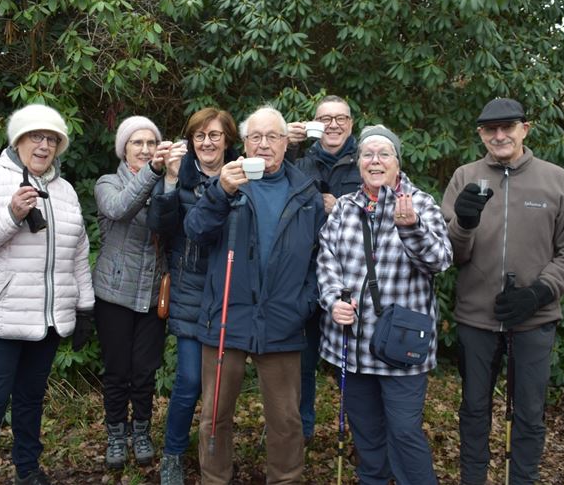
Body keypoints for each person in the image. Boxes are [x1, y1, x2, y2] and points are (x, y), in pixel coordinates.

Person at [441, 98, 564, 485]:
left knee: (528, 411)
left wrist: (540, 292)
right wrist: (464, 223)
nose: (500, 135)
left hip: (535, 318)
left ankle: (521, 479)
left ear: (525, 128)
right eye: (490, 129)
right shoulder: (464, 177)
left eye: (508, 126)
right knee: (474, 408)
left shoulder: (555, 179)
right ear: (480, 135)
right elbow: (449, 253)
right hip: (476, 317)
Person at [0, 103, 94, 485]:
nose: (44, 146)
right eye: (36, 137)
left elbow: (78, 253)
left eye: (52, 139)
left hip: (45, 323)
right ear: (18, 140)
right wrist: (10, 216)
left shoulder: (65, 192)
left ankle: (28, 471)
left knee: (30, 404)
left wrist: (85, 307)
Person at [184, 105, 326, 484]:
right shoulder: (227, 183)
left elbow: (319, 257)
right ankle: (215, 479)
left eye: (273, 137)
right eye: (256, 137)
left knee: (285, 419)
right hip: (227, 315)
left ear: (285, 142)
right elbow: (195, 231)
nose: (264, 144)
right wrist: (219, 193)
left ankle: (286, 479)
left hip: (283, 318)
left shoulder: (306, 192)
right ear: (244, 144)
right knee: (215, 415)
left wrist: (305, 302)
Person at [317, 125, 453, 485]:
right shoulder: (345, 207)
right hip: (353, 344)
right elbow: (326, 260)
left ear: (397, 161)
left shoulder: (420, 203)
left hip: (401, 347)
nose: (375, 161)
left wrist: (412, 229)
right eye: (367, 154)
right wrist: (332, 301)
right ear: (359, 162)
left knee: (405, 432)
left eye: (383, 154)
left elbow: (440, 261)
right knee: (367, 434)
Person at [146, 108, 239, 484]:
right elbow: (158, 225)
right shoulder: (180, 176)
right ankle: (172, 453)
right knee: (188, 381)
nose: (207, 143)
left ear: (228, 140)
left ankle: (214, 454)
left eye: (214, 135)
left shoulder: (243, 175)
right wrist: (168, 181)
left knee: (222, 387)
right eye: (199, 136)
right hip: (189, 289)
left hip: (231, 291)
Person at [92, 116, 185, 468]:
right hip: (114, 293)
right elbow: (120, 208)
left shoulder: (163, 181)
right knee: (117, 370)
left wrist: (174, 174)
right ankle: (116, 434)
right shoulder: (106, 183)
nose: (145, 149)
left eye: (151, 143)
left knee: (145, 371)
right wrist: (155, 172)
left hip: (151, 295)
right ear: (124, 149)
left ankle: (142, 431)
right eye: (137, 143)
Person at [286, 95, 362, 444]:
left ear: (351, 124)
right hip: (304, 279)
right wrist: (286, 145)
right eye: (324, 118)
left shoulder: (367, 161)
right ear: (313, 123)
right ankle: (301, 433)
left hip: (353, 282)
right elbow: (278, 203)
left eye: (340, 118)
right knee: (302, 363)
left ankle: (362, 437)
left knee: (357, 364)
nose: (332, 124)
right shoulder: (300, 164)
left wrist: (341, 208)